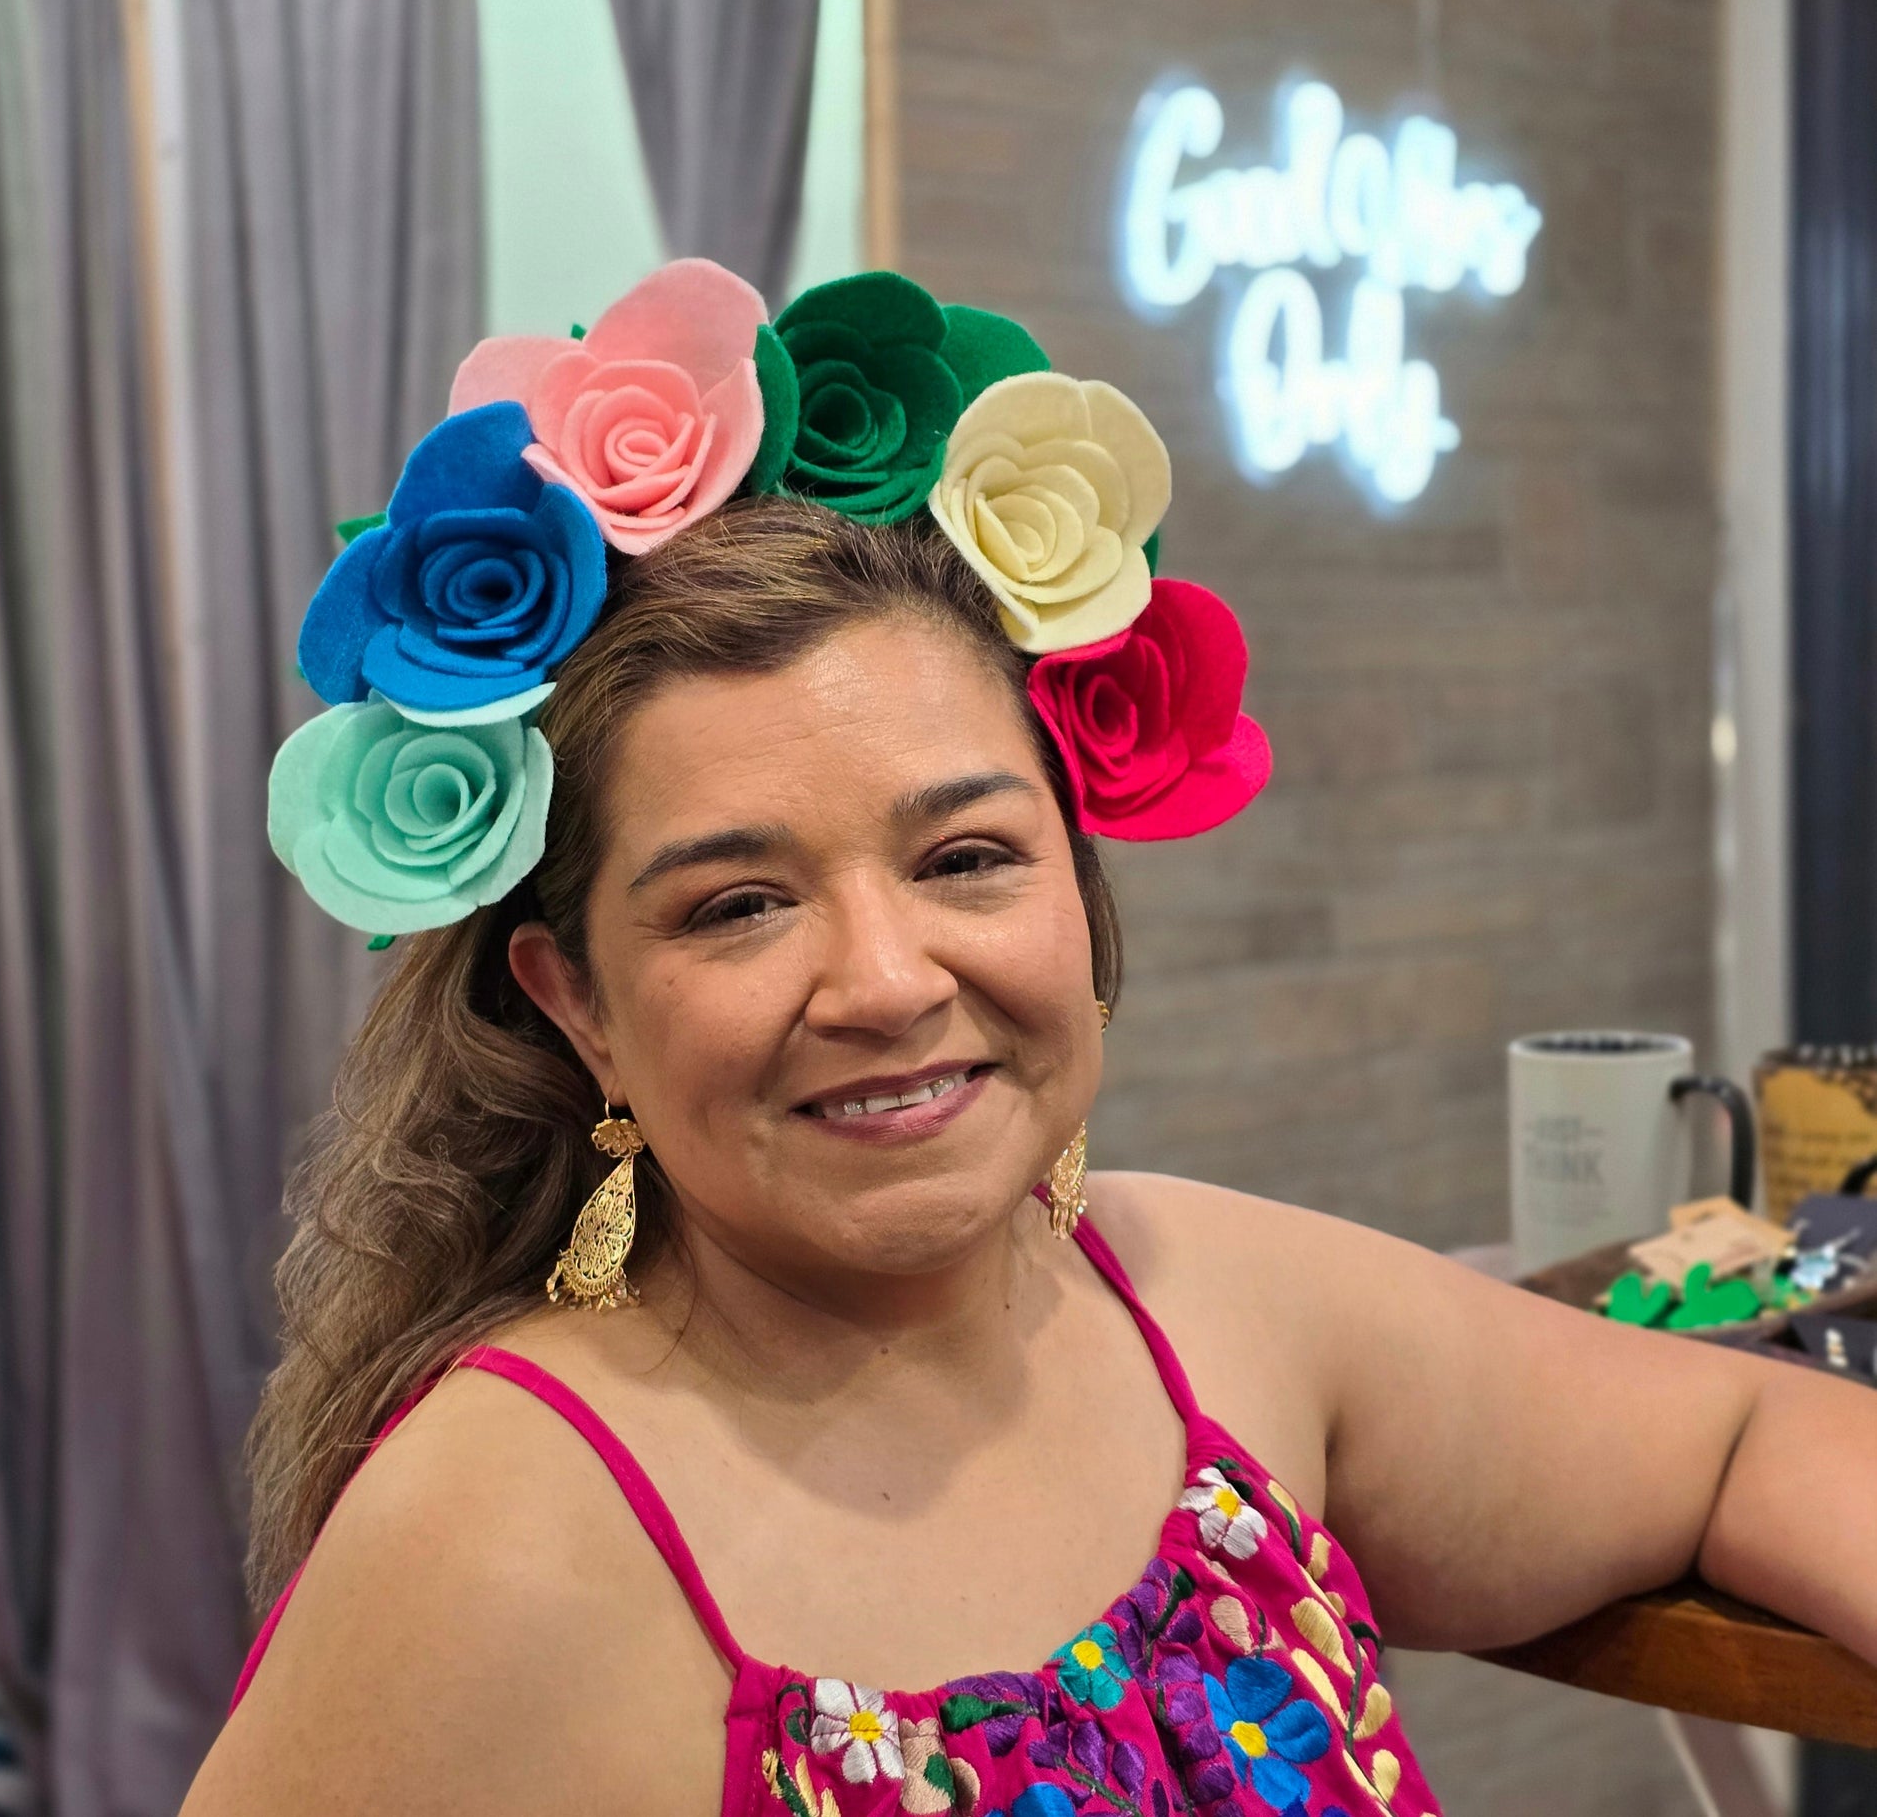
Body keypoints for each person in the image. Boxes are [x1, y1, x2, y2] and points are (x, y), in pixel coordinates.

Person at [182, 262, 1877, 1817]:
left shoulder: (1205, 1304)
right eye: (737, 905)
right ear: (578, 1007)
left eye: (964, 859)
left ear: (1076, 883)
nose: (883, 979)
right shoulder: (502, 1533)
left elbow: (1740, 1436)